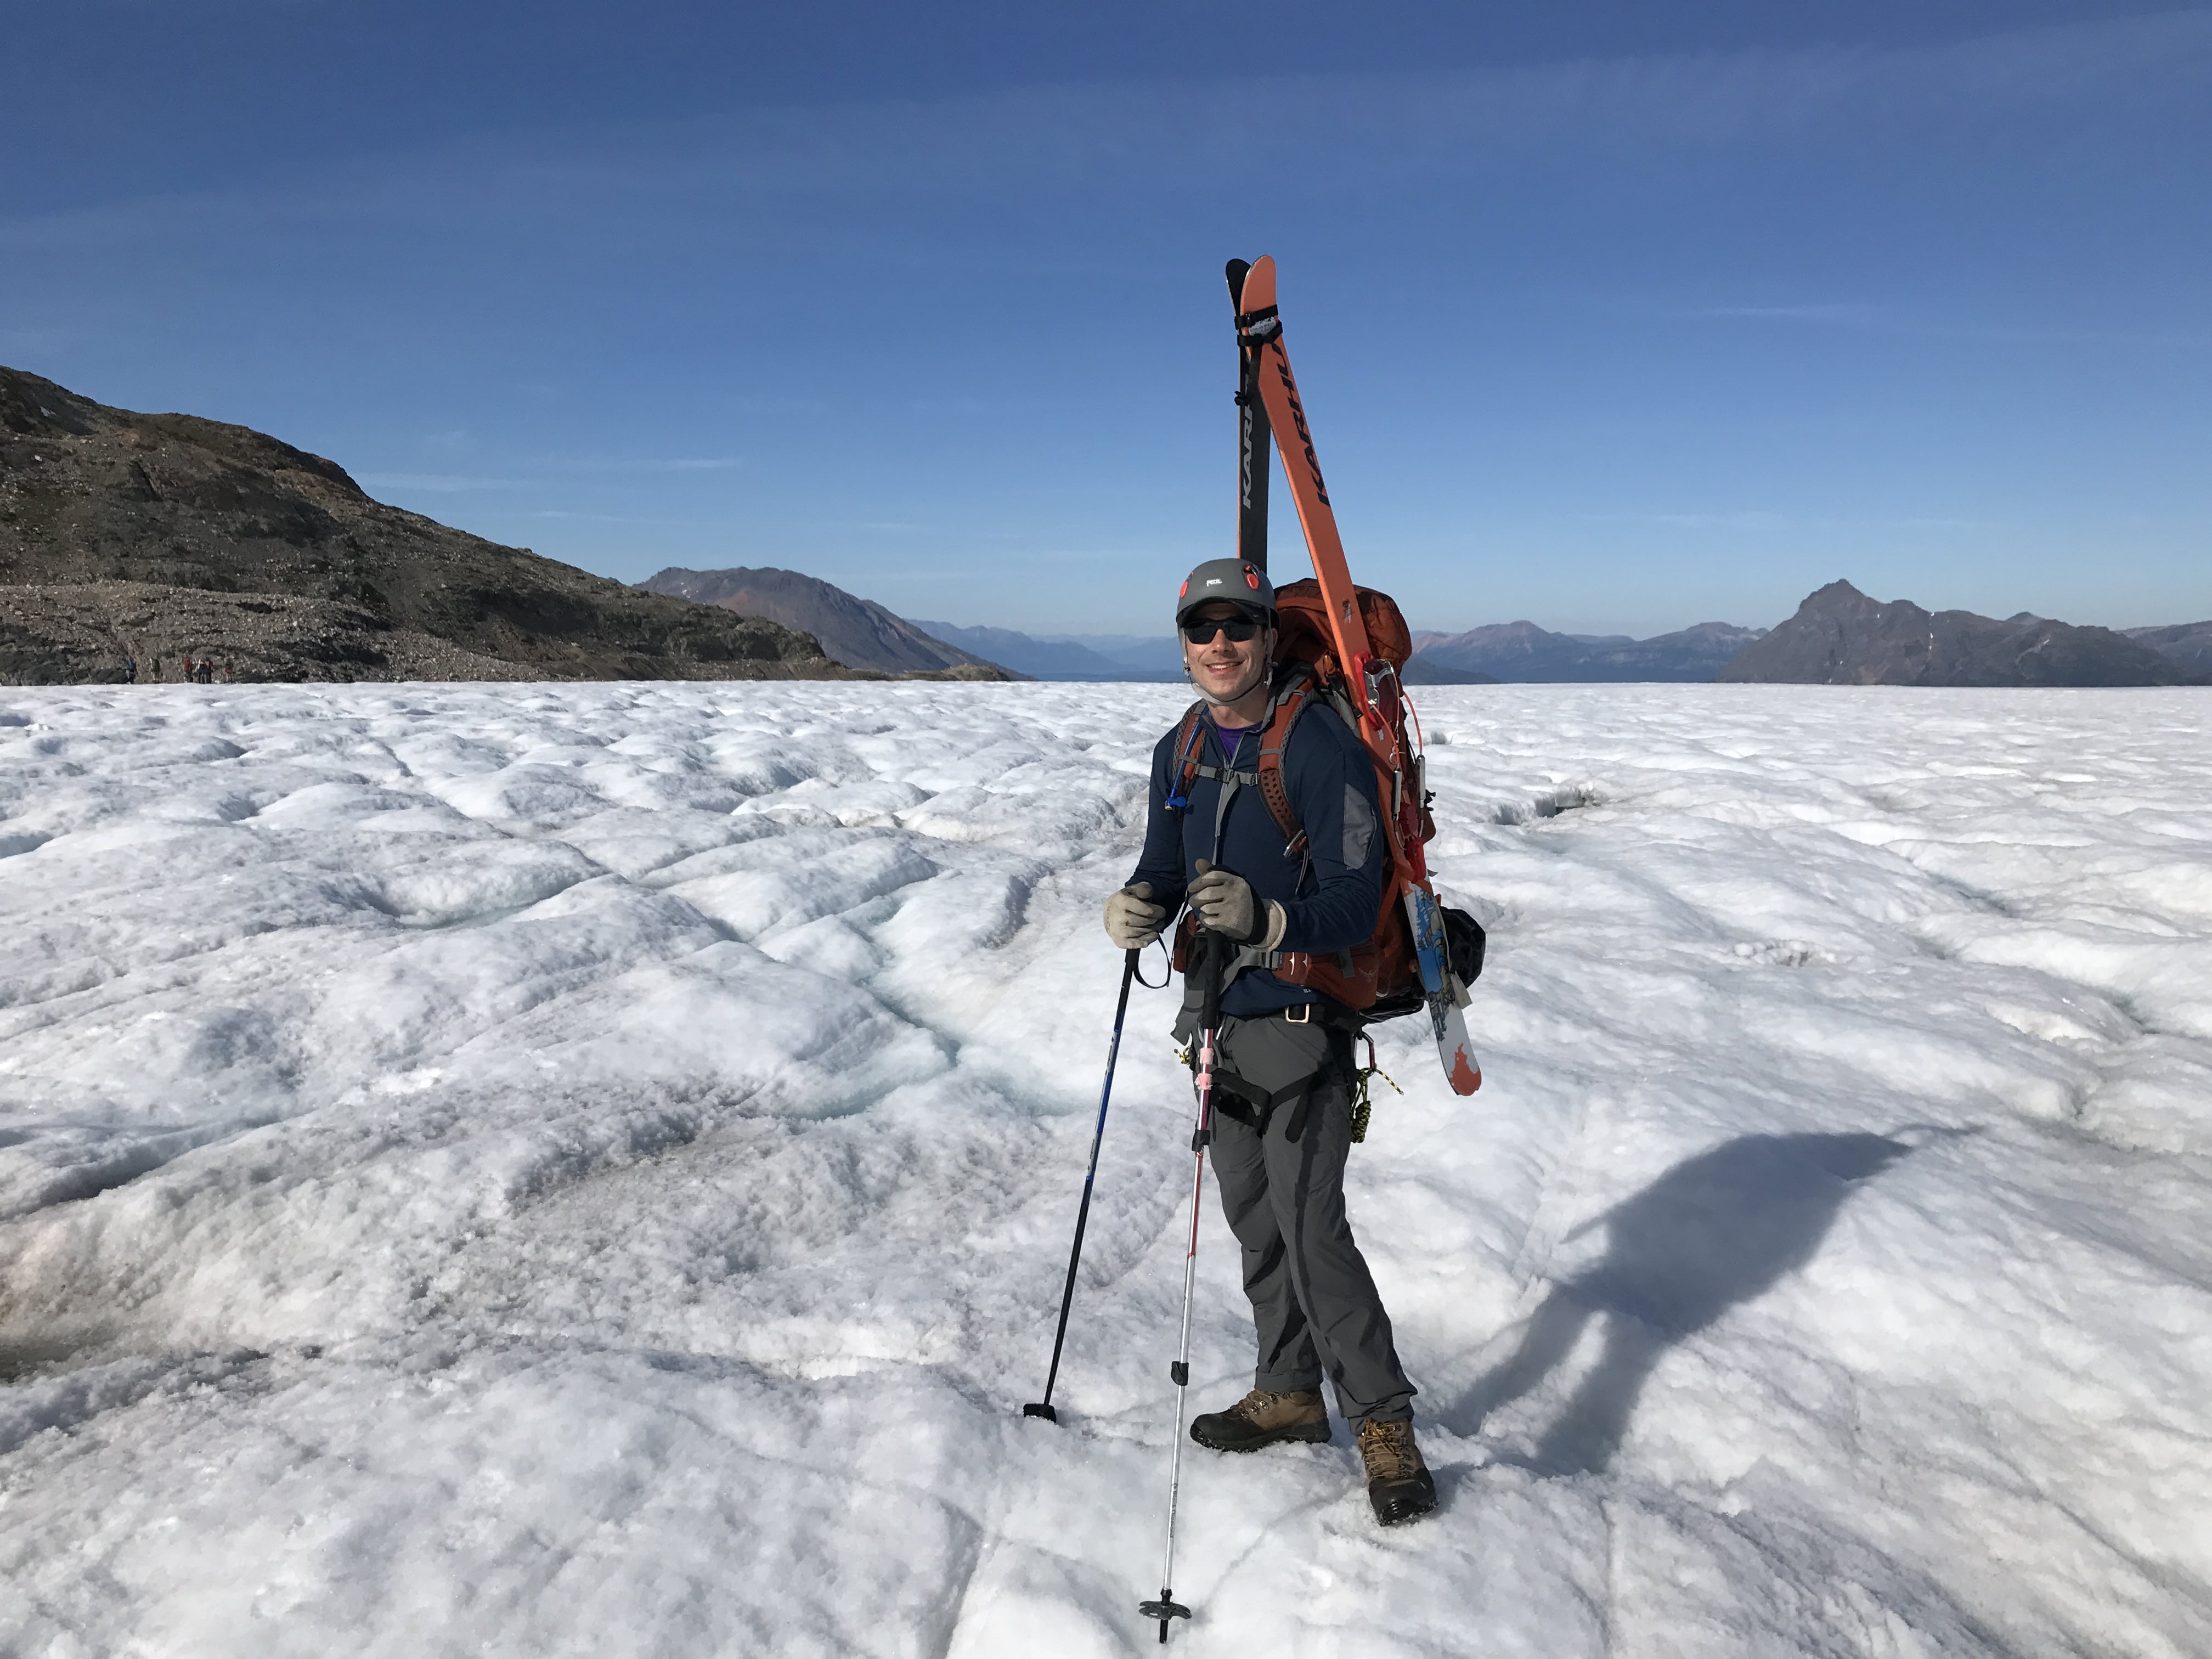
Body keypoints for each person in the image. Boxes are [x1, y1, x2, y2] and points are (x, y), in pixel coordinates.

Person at [1103, 557, 1436, 1527]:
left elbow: (1352, 894)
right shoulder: (1183, 748)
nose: (1219, 646)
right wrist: (1142, 905)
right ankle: (1290, 1390)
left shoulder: (1320, 746)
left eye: (1237, 628)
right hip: (1215, 1020)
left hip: (1301, 1018)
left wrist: (1269, 920)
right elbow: (1166, 863)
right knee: (1254, 1218)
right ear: (1183, 645)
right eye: (1201, 631)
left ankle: (1383, 1422)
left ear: (1263, 634)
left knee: (1312, 1228)